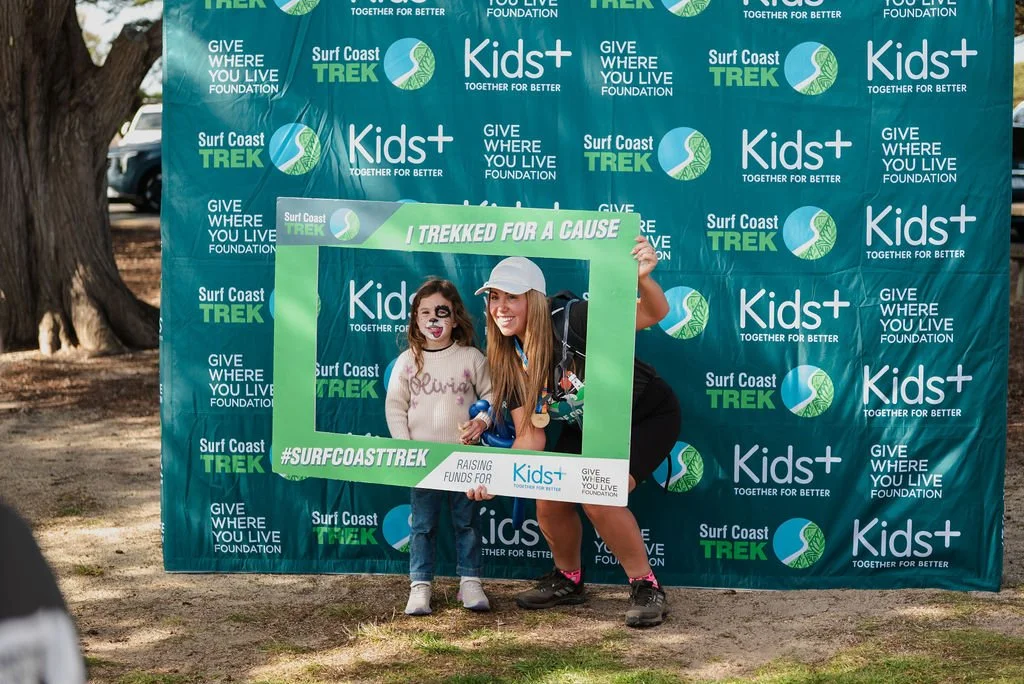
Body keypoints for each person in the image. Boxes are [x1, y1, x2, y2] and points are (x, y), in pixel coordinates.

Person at [468, 237, 681, 628]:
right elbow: (530, 435)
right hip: (590, 424)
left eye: (511, 297)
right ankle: (569, 580)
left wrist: (644, 280)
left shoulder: (573, 319)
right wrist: (495, 476)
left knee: (598, 497)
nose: (500, 307)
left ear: (532, 299)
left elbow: (655, 312)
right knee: (548, 499)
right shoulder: (508, 358)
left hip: (646, 414)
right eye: (493, 297)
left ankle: (646, 585)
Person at [385, 278, 494, 616]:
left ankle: (470, 582)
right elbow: (394, 407)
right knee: (423, 525)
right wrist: (405, 449)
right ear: (416, 319)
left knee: (467, 523)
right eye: (426, 313)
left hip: (465, 459)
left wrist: (482, 422)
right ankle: (420, 586)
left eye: (441, 313)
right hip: (423, 460)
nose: (433, 321)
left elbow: (492, 396)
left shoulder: (472, 357)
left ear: (455, 317)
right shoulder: (408, 361)